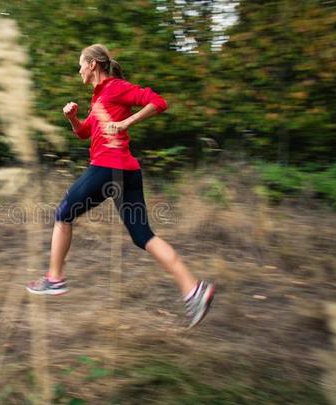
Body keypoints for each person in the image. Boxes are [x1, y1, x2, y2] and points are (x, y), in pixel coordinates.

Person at [26, 44, 215, 328]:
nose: (78, 69)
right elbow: (84, 132)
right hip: (127, 172)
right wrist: (72, 118)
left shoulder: (116, 88)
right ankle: (194, 291)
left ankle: (54, 279)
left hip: (107, 168)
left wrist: (128, 121)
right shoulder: (100, 97)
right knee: (143, 237)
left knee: (63, 214)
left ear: (92, 64)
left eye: (80, 64)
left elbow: (158, 102)